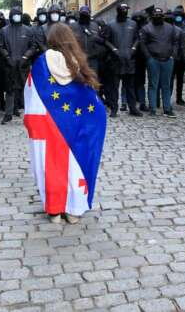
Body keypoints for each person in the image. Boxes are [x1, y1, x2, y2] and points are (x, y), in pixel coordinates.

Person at [23, 23, 106, 224]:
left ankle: (54, 211)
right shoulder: (78, 64)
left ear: (50, 40)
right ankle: (74, 209)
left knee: (49, 165)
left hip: (47, 127)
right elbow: (90, 101)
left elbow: (31, 92)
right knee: (74, 166)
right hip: (75, 128)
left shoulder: (40, 64)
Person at [0, 7, 37, 124]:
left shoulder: (28, 30)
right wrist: (7, 57)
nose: (16, 16)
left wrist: (26, 57)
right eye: (14, 14)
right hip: (9, 65)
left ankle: (29, 114)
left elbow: (33, 46)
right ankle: (8, 114)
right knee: (10, 90)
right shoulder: (4, 31)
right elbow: (0, 46)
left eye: (18, 14)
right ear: (10, 16)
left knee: (25, 90)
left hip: (23, 65)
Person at [139, 7, 178, 117]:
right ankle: (152, 108)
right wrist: (148, 57)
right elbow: (143, 44)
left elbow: (175, 42)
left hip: (168, 59)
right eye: (156, 16)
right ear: (152, 17)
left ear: (163, 17)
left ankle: (167, 108)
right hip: (153, 60)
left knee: (166, 85)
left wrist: (173, 55)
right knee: (153, 84)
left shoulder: (170, 28)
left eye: (160, 16)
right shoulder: (146, 28)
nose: (158, 18)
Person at [106, 3, 142, 118]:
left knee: (130, 86)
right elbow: (106, 40)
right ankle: (114, 108)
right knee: (114, 87)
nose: (125, 11)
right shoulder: (111, 25)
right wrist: (114, 49)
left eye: (126, 9)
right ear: (118, 10)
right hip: (116, 61)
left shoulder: (133, 24)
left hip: (129, 60)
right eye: (122, 9)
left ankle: (132, 108)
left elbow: (137, 39)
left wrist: (134, 48)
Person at [70, 6, 107, 77]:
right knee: (79, 80)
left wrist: (97, 52)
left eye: (86, 14)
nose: (84, 16)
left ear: (89, 14)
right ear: (79, 14)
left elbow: (101, 41)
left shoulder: (95, 25)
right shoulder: (73, 26)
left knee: (93, 80)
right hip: (78, 59)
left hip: (93, 60)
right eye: (82, 14)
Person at [171, 6, 185, 105]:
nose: (179, 17)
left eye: (180, 15)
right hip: (174, 57)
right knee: (171, 79)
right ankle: (168, 97)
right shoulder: (172, 27)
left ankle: (179, 97)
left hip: (182, 57)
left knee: (180, 79)